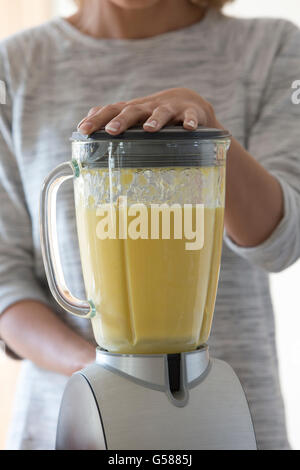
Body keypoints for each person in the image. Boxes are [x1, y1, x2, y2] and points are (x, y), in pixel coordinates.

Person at [0, 0, 299, 450]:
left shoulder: (272, 48)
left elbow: (281, 241)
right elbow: (5, 281)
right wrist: (117, 379)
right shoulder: (14, 68)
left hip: (225, 422)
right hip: (72, 423)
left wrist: (212, 139)